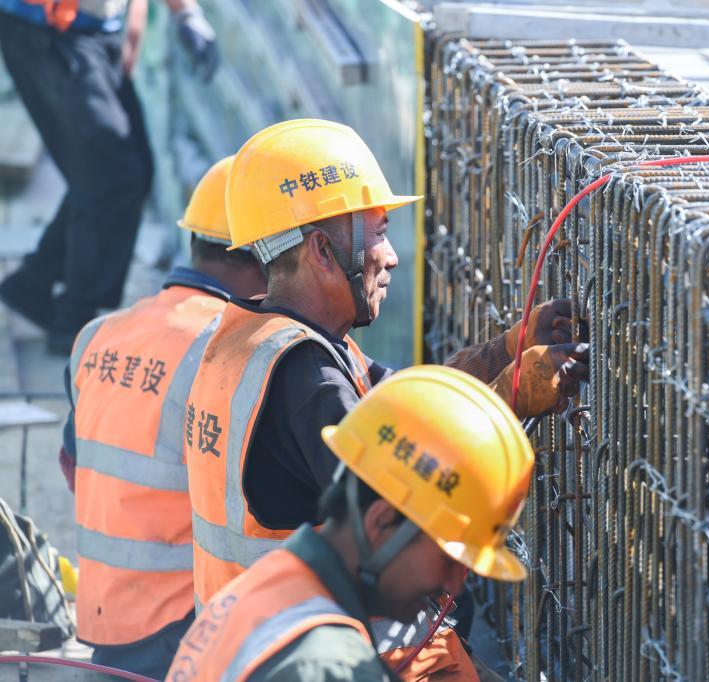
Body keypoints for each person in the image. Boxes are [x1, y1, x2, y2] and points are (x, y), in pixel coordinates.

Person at [182, 119, 586, 677]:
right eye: (377, 233)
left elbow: (404, 404)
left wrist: (505, 351)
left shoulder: (263, 338)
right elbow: (408, 488)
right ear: (323, 250)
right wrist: (511, 396)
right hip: (335, 652)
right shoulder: (305, 378)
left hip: (265, 633)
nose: (391, 256)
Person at [167, 365, 534, 682]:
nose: (453, 586)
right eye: (448, 560)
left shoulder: (270, 583)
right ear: (382, 521)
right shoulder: (328, 662)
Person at [62, 156, 266, 678]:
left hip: (109, 617)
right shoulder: (233, 347)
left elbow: (73, 464)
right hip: (188, 625)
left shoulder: (100, 333)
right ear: (262, 255)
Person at [0, 0, 219, 354]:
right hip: (47, 32)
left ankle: (34, 282)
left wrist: (179, 15)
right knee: (111, 174)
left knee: (128, 169)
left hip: (96, 32)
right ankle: (75, 319)